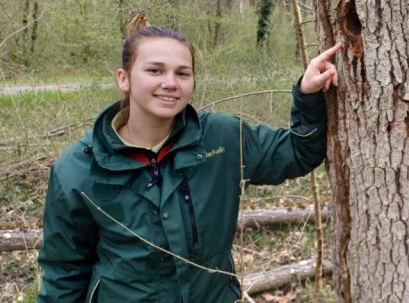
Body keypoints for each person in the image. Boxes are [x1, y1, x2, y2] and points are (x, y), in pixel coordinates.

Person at [37, 20, 342, 302]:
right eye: (154, 71)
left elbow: (297, 153)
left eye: (182, 73)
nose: (170, 83)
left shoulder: (221, 139)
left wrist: (307, 94)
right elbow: (63, 274)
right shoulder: (78, 169)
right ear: (124, 78)